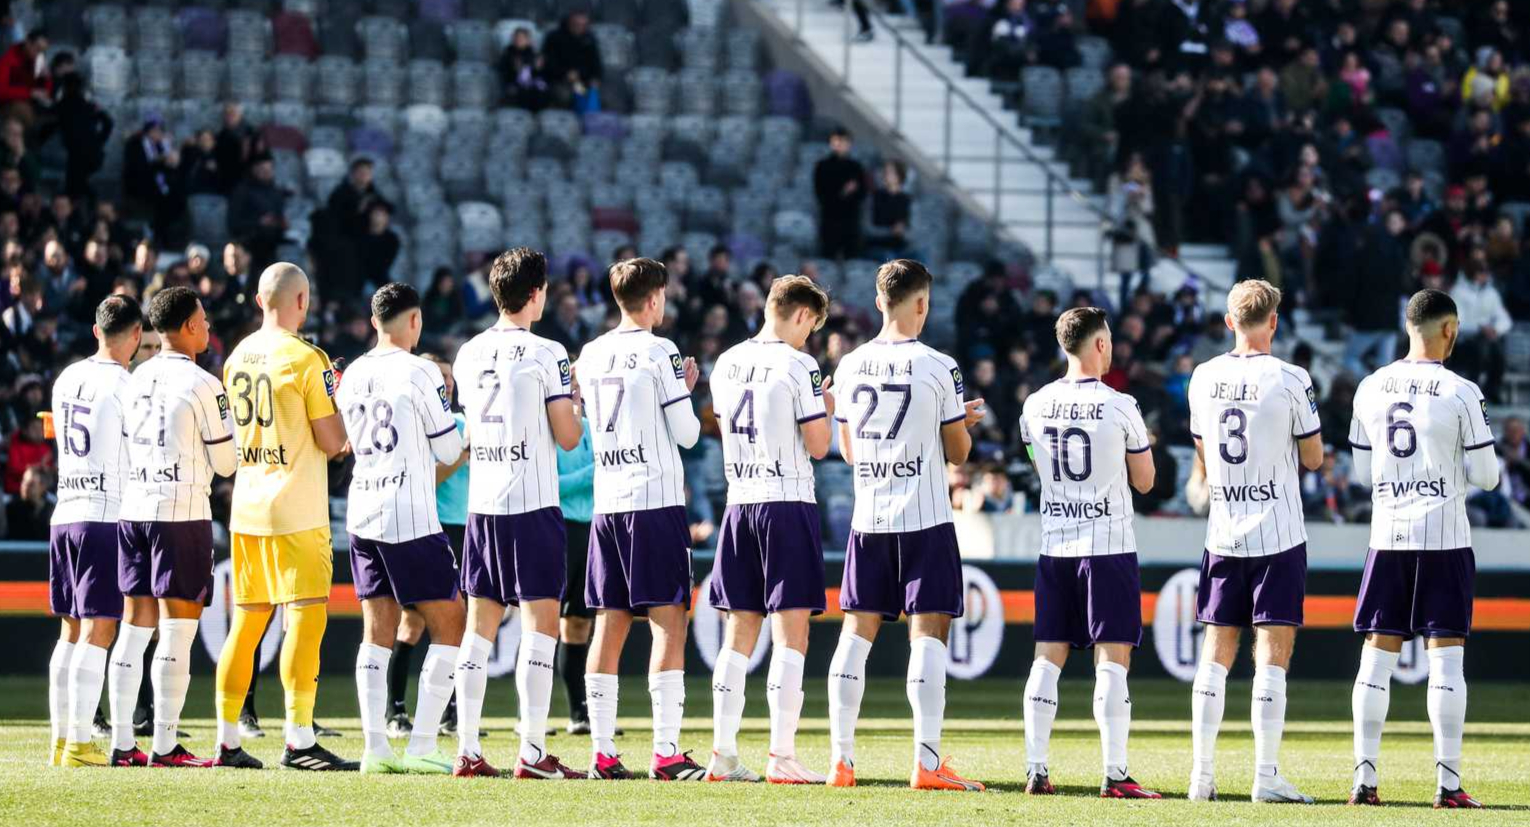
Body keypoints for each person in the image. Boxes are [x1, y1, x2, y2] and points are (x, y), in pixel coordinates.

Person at [825, 259, 986, 791]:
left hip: (870, 518)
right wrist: (964, 423)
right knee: (929, 632)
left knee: (856, 633)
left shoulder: (849, 366)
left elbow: (846, 452)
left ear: (879, 303)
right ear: (922, 303)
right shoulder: (940, 366)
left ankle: (841, 762)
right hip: (925, 517)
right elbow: (958, 454)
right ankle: (927, 761)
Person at [1346, 289, 1499, 810]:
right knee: (1446, 665)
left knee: (1375, 661)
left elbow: (1360, 469)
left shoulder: (1369, 387)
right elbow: (1488, 476)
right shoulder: (1461, 391)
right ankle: (1448, 785)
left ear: (1407, 326)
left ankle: (1364, 782)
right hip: (1444, 538)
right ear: (1449, 330)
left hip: (1387, 536)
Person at [1185, 279, 1324, 803]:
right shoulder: (1291, 378)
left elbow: (1202, 450)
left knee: (1216, 650)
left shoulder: (1203, 377)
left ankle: (1202, 776)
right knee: (1273, 653)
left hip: (1223, 529)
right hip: (1279, 531)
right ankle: (1265, 776)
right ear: (1274, 322)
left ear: (1228, 323)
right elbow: (1312, 458)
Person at [213, 263, 352, 771]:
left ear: (258, 300)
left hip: (247, 506)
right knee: (304, 622)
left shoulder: (236, 356)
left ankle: (227, 740)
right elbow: (333, 441)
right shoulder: (307, 358)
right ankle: (298, 738)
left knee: (246, 626)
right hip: (296, 508)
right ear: (302, 302)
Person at [450, 248, 584, 779]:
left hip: (483, 504)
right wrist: (574, 403)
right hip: (532, 503)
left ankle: (467, 748)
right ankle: (531, 751)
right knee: (540, 626)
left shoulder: (467, 351)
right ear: (536, 293)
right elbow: (569, 438)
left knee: (478, 629)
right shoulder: (548, 351)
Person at [1017, 306, 1160, 799]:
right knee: (1112, 659)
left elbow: (1038, 462)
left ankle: (1036, 769)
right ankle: (1115, 774)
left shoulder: (1034, 405)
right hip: (1107, 545)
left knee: (1047, 656)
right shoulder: (1121, 406)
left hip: (1055, 543)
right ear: (1100, 344)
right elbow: (1145, 482)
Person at [573, 257, 704, 781]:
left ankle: (603, 753)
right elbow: (689, 433)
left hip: (608, 503)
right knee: (669, 622)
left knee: (610, 623)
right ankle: (666, 752)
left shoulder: (590, 352)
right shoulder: (660, 351)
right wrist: (686, 392)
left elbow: (585, 418)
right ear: (654, 299)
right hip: (653, 502)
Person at [704, 275, 836, 785]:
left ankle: (723, 752)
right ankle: (782, 754)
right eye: (812, 326)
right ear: (801, 315)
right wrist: (822, 405)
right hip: (786, 502)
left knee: (739, 631)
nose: (811, 338)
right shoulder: (799, 364)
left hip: (740, 503)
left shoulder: (728, 361)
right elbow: (820, 445)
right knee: (791, 631)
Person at [337, 282, 467, 775]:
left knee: (378, 630)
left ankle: (375, 748)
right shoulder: (421, 371)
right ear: (415, 322)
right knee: (451, 621)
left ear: (374, 321)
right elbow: (449, 451)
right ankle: (423, 746)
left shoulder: (351, 375)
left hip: (363, 511)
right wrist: (469, 432)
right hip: (409, 513)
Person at [110, 286, 238, 768]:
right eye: (203, 320)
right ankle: (164, 745)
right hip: (180, 513)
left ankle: (122, 744)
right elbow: (227, 462)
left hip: (134, 507)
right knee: (178, 630)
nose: (207, 328)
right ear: (187, 326)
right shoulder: (205, 383)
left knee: (133, 627)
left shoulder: (135, 377)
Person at [46, 295, 141, 768]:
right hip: (104, 514)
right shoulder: (127, 385)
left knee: (70, 630)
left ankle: (62, 740)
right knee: (101, 628)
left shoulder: (66, 378)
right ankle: (81, 742)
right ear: (137, 335)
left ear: (95, 331)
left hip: (64, 510)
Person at [555, 402, 595, 734]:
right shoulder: (549, 430)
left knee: (579, 623)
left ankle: (578, 711)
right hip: (557, 527)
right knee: (541, 621)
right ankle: (528, 716)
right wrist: (596, 471)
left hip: (591, 530)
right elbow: (555, 484)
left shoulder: (594, 430)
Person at [1449, 263, 1513, 404]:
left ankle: (1492, 390)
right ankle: (1472, 394)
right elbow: (1456, 322)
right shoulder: (1458, 292)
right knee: (1478, 351)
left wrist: (1496, 329)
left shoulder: (1491, 293)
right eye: (1480, 272)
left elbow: (1504, 318)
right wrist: (1479, 328)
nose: (1484, 276)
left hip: (1487, 338)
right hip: (1464, 341)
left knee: (1498, 353)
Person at [813, 128, 867, 259]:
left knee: (852, 257)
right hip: (830, 219)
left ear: (849, 144)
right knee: (828, 256)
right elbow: (821, 193)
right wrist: (843, 192)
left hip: (851, 220)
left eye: (843, 141)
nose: (840, 144)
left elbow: (862, 192)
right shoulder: (823, 166)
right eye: (836, 141)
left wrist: (851, 192)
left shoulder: (856, 167)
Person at [0, 29, 50, 128]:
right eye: (37, 49)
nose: (39, 54)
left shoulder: (37, 59)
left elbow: (45, 91)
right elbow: (2, 91)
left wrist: (46, 79)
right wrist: (29, 93)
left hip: (32, 102)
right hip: (9, 103)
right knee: (23, 110)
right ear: (28, 43)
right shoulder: (9, 59)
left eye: (43, 51)